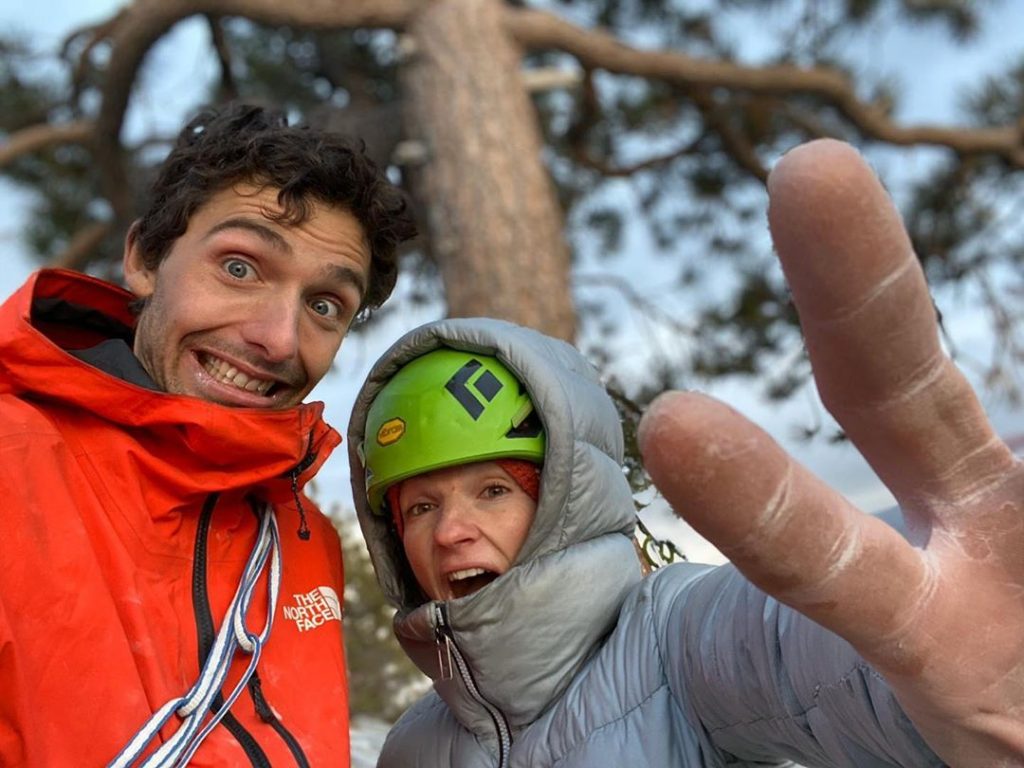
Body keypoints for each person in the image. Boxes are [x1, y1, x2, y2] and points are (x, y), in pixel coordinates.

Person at [348, 140, 1024, 767]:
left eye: (494, 491)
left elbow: (792, 652)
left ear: (562, 500)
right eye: (420, 507)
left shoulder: (673, 642)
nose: (450, 531)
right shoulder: (411, 750)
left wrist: (970, 647)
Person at [0, 103, 415, 767]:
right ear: (145, 258)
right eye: (240, 267)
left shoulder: (305, 538)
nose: (278, 340)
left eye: (324, 305)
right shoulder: (11, 464)